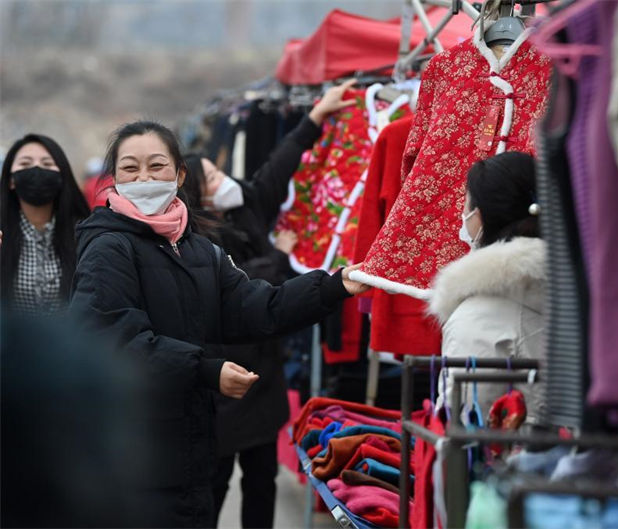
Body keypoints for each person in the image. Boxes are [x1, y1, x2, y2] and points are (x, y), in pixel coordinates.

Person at [69, 119, 368, 528]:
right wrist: (206, 369)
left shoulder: (198, 249)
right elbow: (113, 340)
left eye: (156, 166)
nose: (143, 177)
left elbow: (258, 307)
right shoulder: (108, 247)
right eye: (130, 168)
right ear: (114, 178)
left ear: (179, 174)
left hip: (193, 452)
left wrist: (335, 285)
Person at [182, 81, 355, 529]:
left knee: (261, 479)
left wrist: (316, 116)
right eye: (213, 180)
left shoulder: (245, 208)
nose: (225, 182)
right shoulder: (195, 240)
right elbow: (242, 290)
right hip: (223, 376)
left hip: (263, 371)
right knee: (216, 479)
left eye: (219, 174)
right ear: (196, 194)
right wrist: (278, 255)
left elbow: (278, 167)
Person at [427, 152, 547, 425]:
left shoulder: (477, 316)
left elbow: (466, 424)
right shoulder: (582, 291)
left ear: (479, 217)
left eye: (466, 204)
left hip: (513, 463)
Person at [0, 134, 90, 315]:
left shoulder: (85, 234)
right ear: (10, 180)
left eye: (47, 164)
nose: (36, 169)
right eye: (25, 164)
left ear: (61, 175)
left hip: (70, 342)